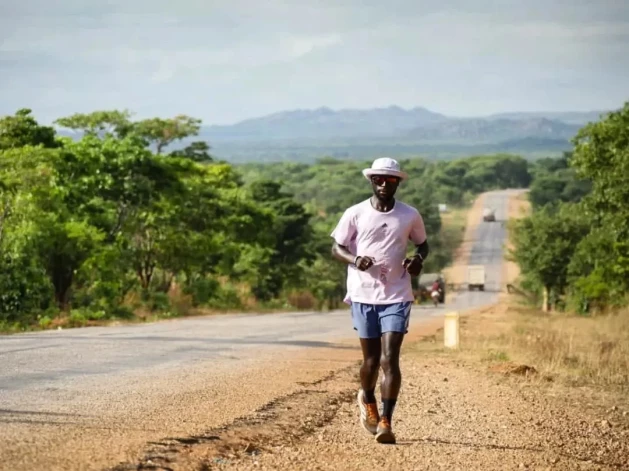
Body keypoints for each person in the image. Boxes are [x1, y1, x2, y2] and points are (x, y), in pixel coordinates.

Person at [330, 157, 429, 444]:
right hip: (363, 294)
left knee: (390, 359)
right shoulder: (355, 213)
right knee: (371, 362)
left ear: (398, 181)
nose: (384, 184)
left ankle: (386, 420)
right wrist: (355, 258)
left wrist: (418, 260)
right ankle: (368, 400)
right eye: (379, 179)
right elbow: (336, 247)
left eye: (391, 179)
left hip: (397, 293)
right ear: (371, 181)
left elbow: (422, 243)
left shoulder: (409, 215)